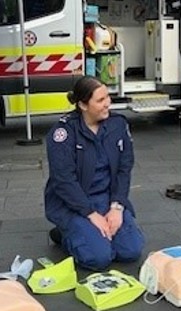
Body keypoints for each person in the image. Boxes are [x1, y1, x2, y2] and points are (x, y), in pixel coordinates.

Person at [44, 76, 145, 271]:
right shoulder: (63, 133)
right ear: (82, 104)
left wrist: (117, 207)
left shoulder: (117, 125)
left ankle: (86, 234)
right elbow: (63, 181)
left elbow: (125, 168)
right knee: (99, 259)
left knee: (131, 251)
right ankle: (65, 234)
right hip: (74, 204)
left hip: (107, 199)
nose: (108, 103)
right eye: (100, 100)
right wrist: (91, 214)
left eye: (107, 97)